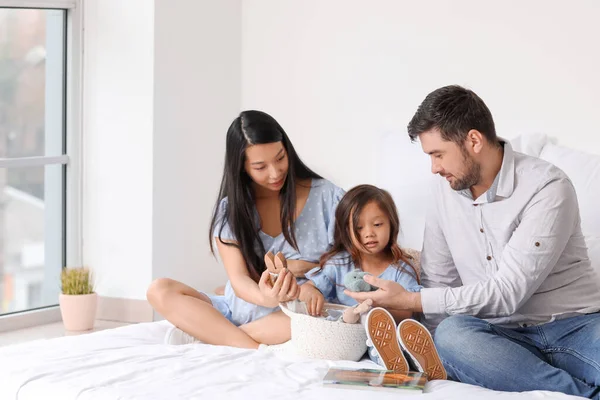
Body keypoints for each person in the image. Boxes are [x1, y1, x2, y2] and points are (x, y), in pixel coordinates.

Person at [346, 85, 600, 398]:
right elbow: (438, 282)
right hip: (497, 338)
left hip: (576, 327)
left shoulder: (547, 187)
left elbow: (508, 294)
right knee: (453, 335)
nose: (434, 167)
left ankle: (532, 378)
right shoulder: (443, 192)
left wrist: (411, 301)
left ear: (474, 141)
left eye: (438, 154)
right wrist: (438, 342)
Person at [146, 110, 344, 349]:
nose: (275, 172)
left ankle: (216, 337)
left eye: (280, 158)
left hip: (293, 312)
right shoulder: (231, 210)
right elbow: (239, 278)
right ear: (241, 167)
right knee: (159, 290)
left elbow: (350, 262)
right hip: (242, 305)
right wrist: (265, 298)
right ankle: (243, 341)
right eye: (260, 167)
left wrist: (307, 278)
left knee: (307, 324)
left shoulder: (328, 197)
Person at [303, 184, 446, 380]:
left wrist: (377, 309)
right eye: (359, 228)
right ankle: (405, 358)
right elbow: (308, 287)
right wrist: (312, 292)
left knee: (383, 342)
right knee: (374, 344)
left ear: (391, 224)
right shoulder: (339, 264)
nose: (369, 233)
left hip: (391, 334)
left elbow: (408, 311)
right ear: (346, 231)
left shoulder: (399, 269)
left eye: (377, 225)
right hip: (349, 340)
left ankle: (417, 357)